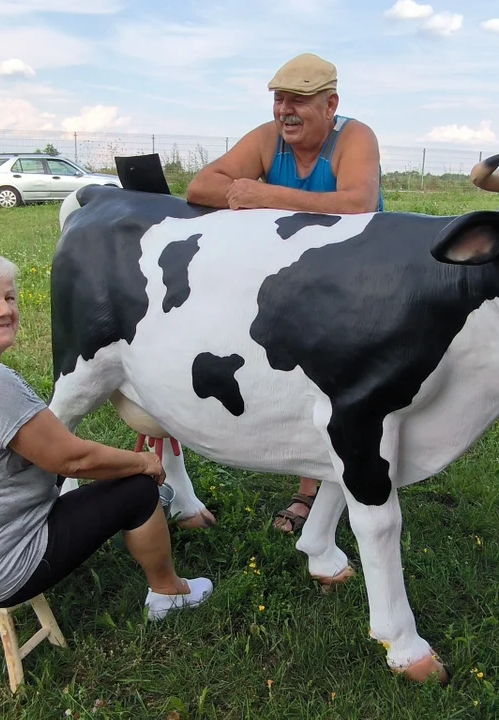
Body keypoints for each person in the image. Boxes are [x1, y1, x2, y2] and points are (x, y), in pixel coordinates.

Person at [0, 250, 212, 619]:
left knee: (111, 471)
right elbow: (72, 459)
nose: (5, 309)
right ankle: (168, 593)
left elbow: (49, 450)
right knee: (139, 489)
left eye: (10, 297)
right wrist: (143, 461)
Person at [186, 52, 383, 533]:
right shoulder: (267, 138)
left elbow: (358, 202)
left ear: (331, 103)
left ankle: (329, 487)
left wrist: (266, 195)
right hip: (291, 278)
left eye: (298, 100)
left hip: (357, 276)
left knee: (340, 382)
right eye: (279, 100)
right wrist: (246, 192)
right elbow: (200, 186)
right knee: (298, 378)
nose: (284, 112)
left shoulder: (354, 137)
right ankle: (313, 483)